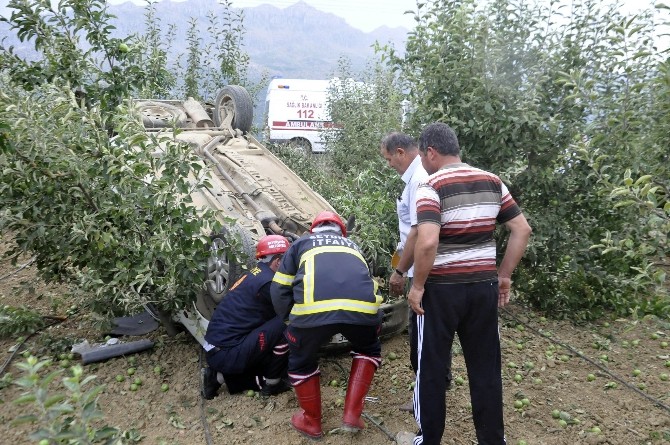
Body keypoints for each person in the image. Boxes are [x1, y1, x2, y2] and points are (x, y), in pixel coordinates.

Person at [406, 122, 532, 445]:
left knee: (431, 368)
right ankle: (492, 441)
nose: (422, 161)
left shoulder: (431, 186)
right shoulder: (492, 181)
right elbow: (521, 230)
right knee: (485, 370)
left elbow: (428, 241)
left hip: (442, 292)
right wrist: (503, 276)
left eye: (421, 155)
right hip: (483, 289)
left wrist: (418, 285)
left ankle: (428, 440)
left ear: (431, 152)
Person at [271, 210, 383, 440]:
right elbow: (364, 281)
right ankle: (352, 415)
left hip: (312, 314)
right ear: (341, 230)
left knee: (301, 362)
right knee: (368, 349)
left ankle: (311, 422)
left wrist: (289, 321)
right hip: (362, 312)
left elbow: (279, 288)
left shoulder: (301, 243)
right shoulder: (352, 245)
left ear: (313, 229)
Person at [379, 131, 452, 414]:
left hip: (424, 271)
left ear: (400, 152)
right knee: (429, 334)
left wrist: (401, 271)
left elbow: (418, 232)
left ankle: (427, 396)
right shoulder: (415, 179)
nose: (389, 165)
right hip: (421, 268)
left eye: (388, 159)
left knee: (422, 340)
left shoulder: (419, 180)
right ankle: (435, 385)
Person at [201, 234, 293, 399]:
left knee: (276, 337)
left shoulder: (256, 274)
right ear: (278, 262)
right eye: (288, 260)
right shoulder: (269, 284)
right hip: (227, 353)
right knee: (289, 321)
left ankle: (217, 377)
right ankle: (273, 382)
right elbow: (293, 308)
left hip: (218, 349)